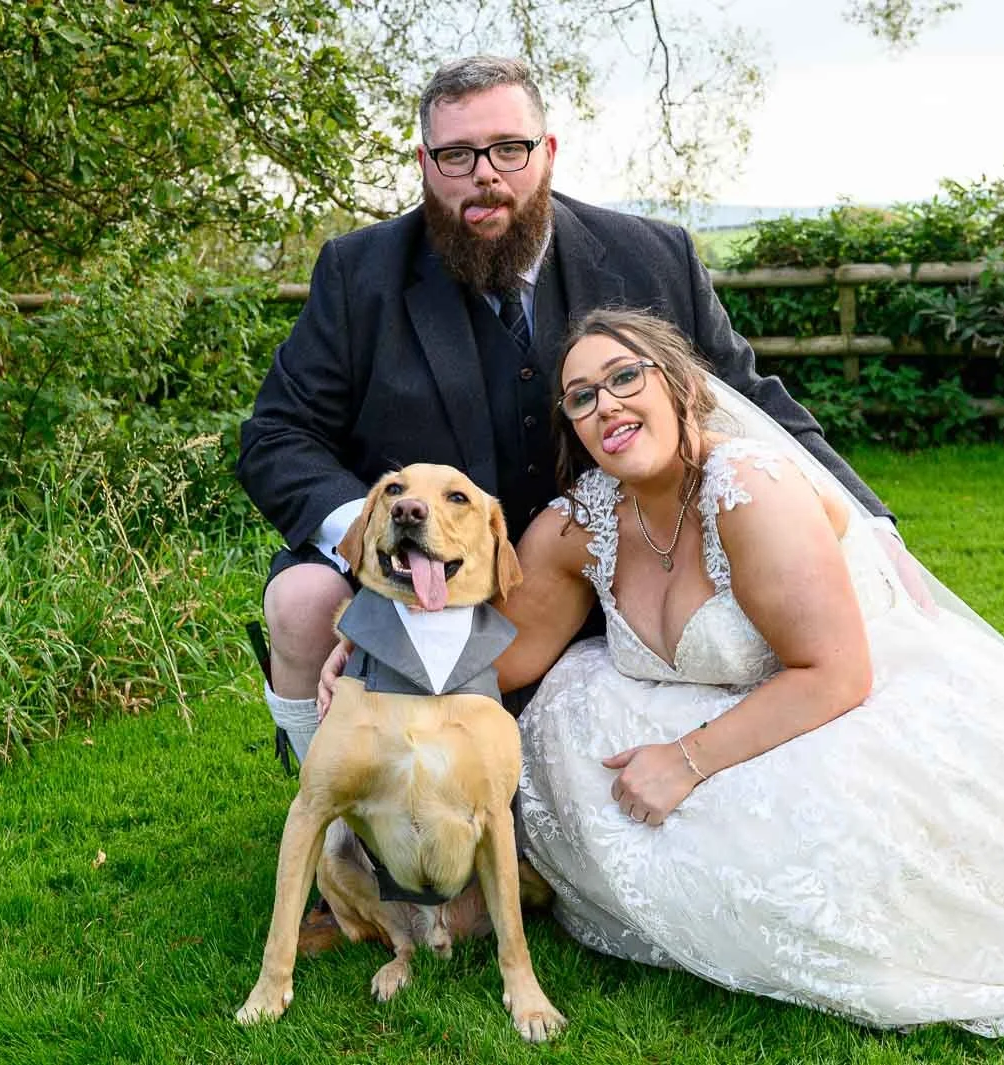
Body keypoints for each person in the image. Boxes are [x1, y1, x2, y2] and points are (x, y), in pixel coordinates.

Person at [485, 308, 1004, 1035]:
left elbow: (836, 674)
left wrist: (684, 760)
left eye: (626, 376)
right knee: (566, 710)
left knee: (842, 838)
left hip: (843, 690)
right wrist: (379, 641)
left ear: (683, 385)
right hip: (709, 696)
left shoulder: (749, 489)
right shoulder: (579, 523)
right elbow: (503, 662)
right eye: (582, 396)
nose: (607, 405)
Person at [237, 55, 904, 761]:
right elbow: (277, 435)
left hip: (599, 574)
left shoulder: (654, 256)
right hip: (425, 571)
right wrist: (381, 547)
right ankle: (337, 807)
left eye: (508, 149)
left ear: (547, 152)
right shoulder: (358, 273)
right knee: (303, 596)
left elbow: (748, 394)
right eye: (457, 155)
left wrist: (872, 520)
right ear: (425, 163)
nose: (485, 174)